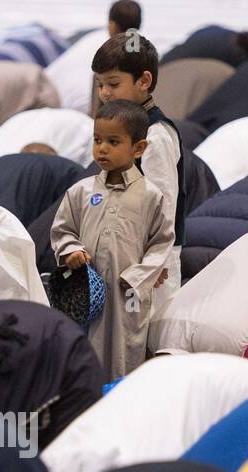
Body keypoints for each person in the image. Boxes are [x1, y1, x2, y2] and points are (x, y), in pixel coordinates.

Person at [50, 100, 173, 377]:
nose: (102, 148)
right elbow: (63, 230)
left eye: (113, 141)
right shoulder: (80, 192)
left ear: (138, 148)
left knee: (123, 358)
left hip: (126, 296)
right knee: (82, 355)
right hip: (85, 292)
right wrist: (71, 251)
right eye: (97, 140)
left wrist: (138, 277)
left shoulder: (151, 196)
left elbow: (161, 244)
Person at [92, 32, 185, 322]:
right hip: (123, 251)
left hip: (152, 262)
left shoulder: (156, 134)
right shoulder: (120, 127)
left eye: (113, 84)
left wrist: (153, 263)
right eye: (100, 84)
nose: (105, 92)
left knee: (146, 335)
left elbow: (164, 203)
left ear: (144, 81)